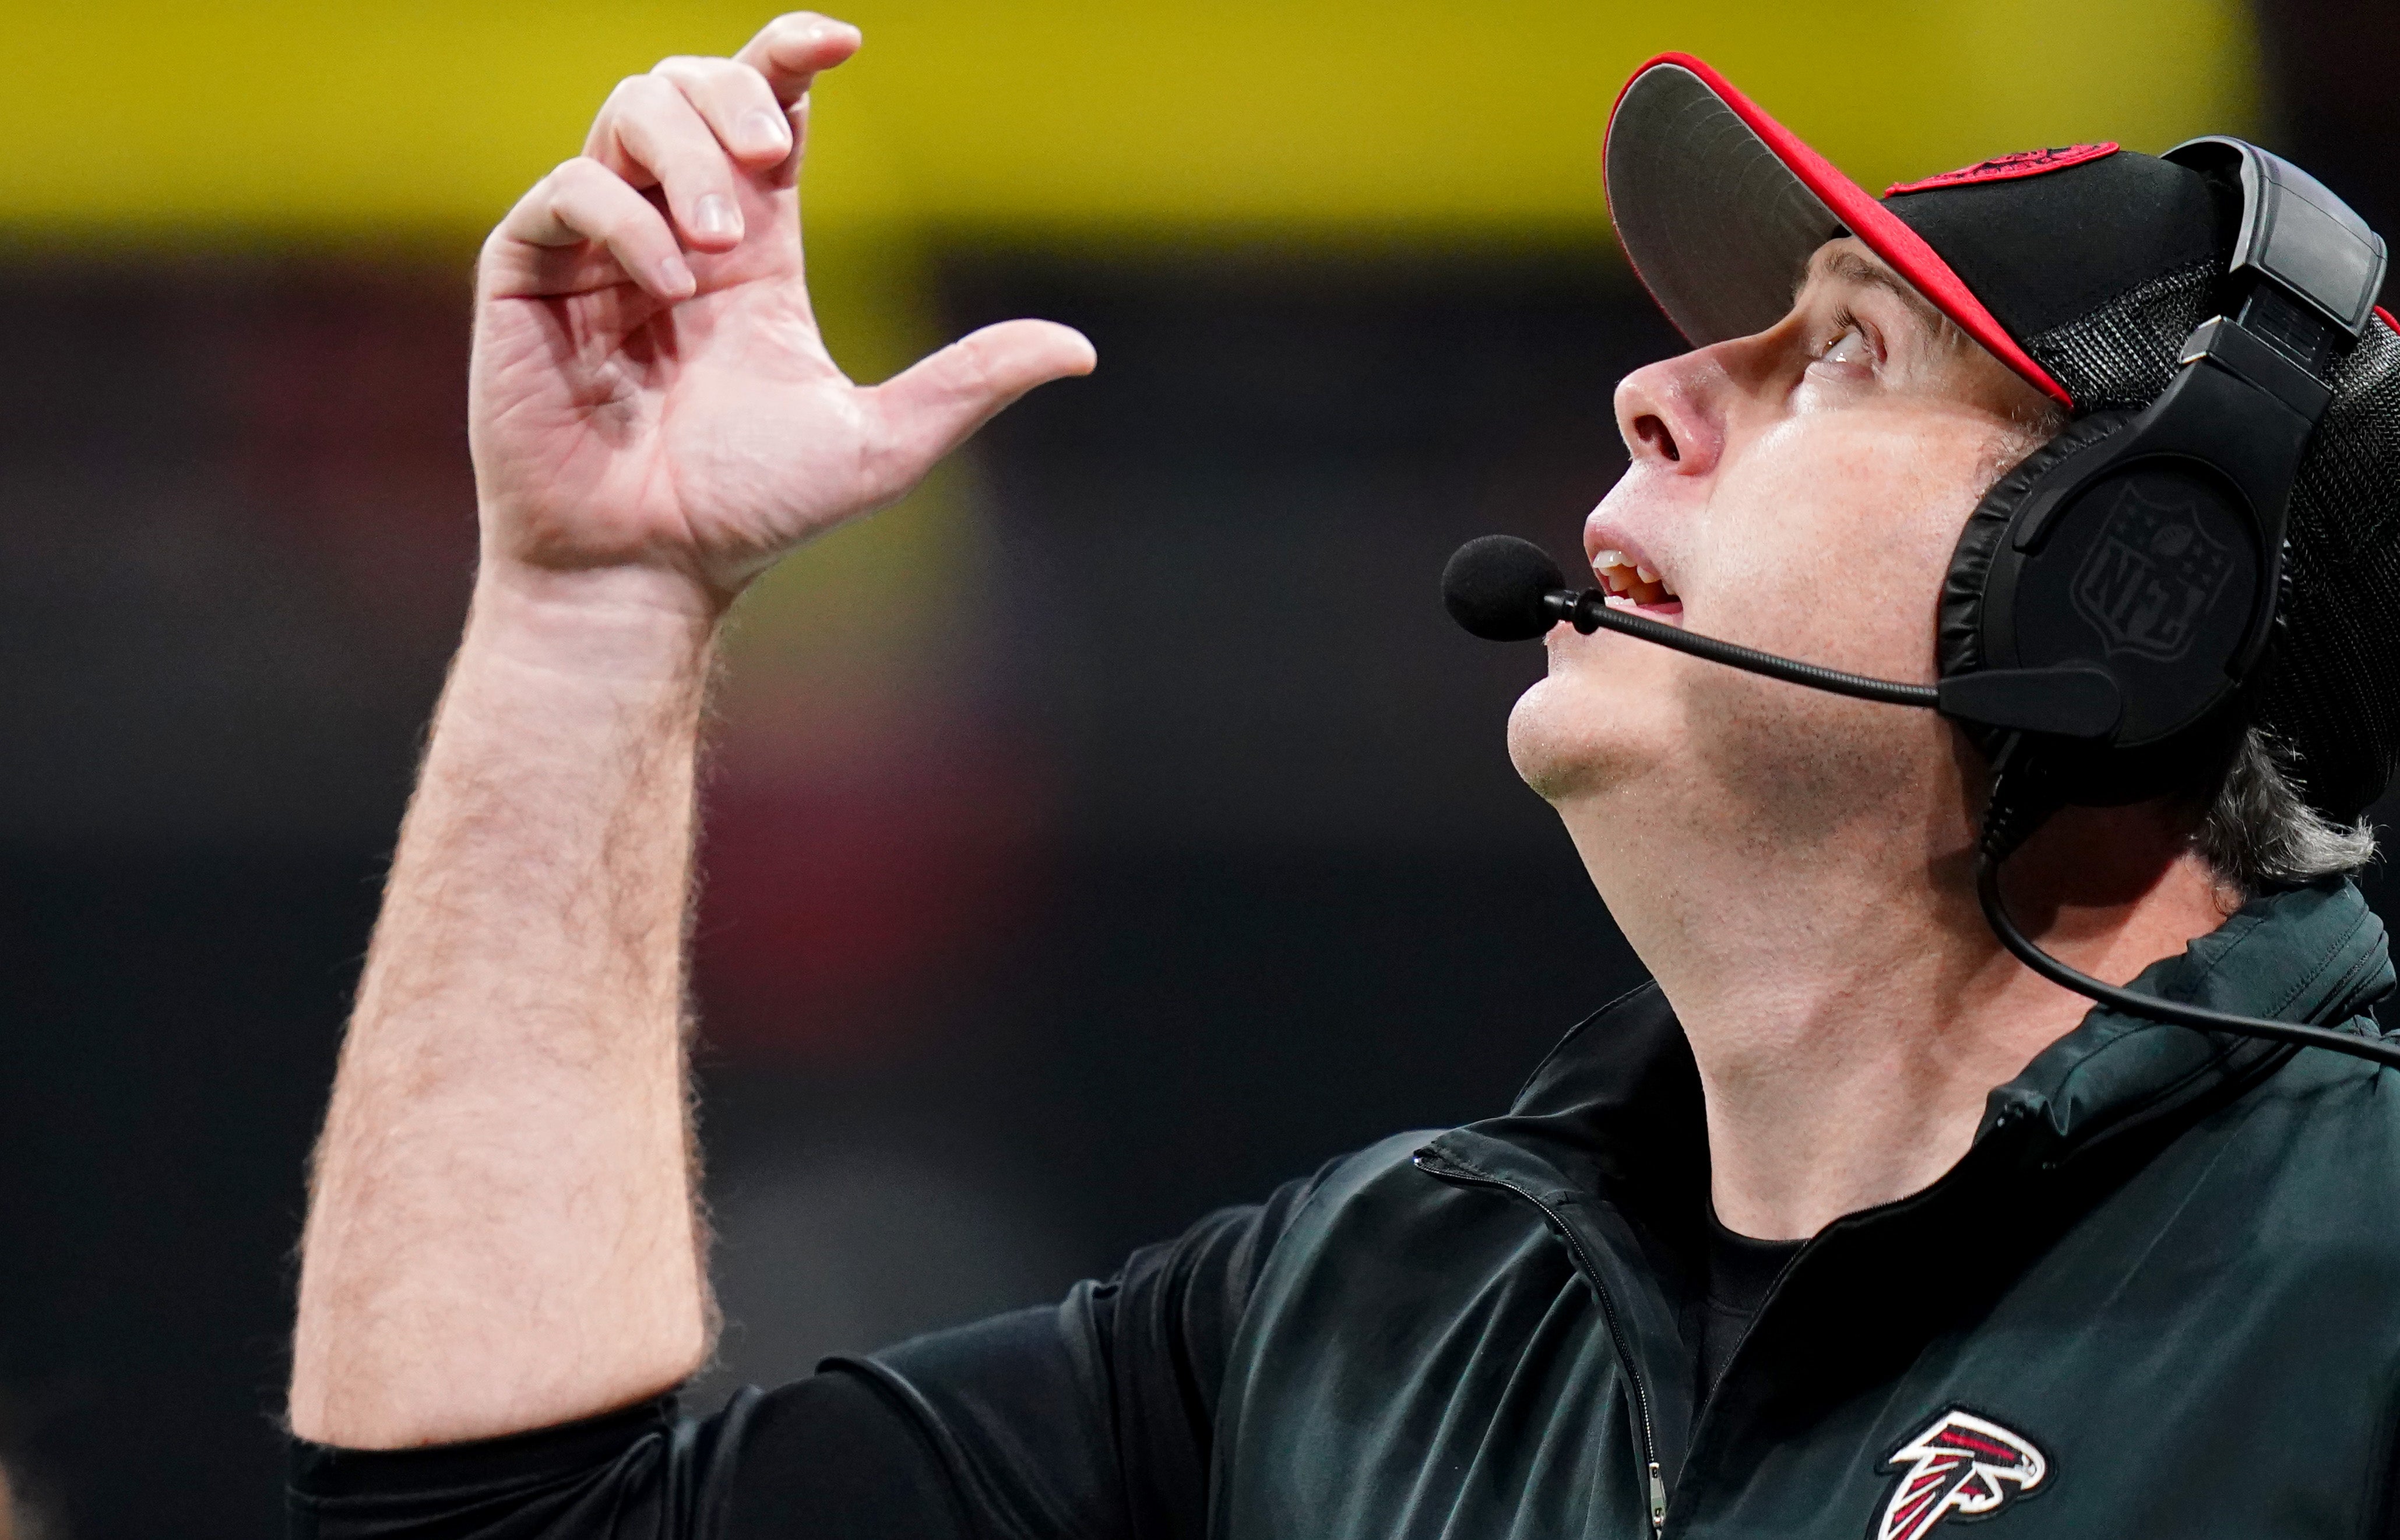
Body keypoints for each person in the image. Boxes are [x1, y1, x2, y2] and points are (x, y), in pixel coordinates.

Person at [285, 16, 2400, 1539]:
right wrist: (594, 614)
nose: (1653, 390)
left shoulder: (2354, 1257)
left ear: (2132, 592)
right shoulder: (1372, 1313)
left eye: (1841, 350)